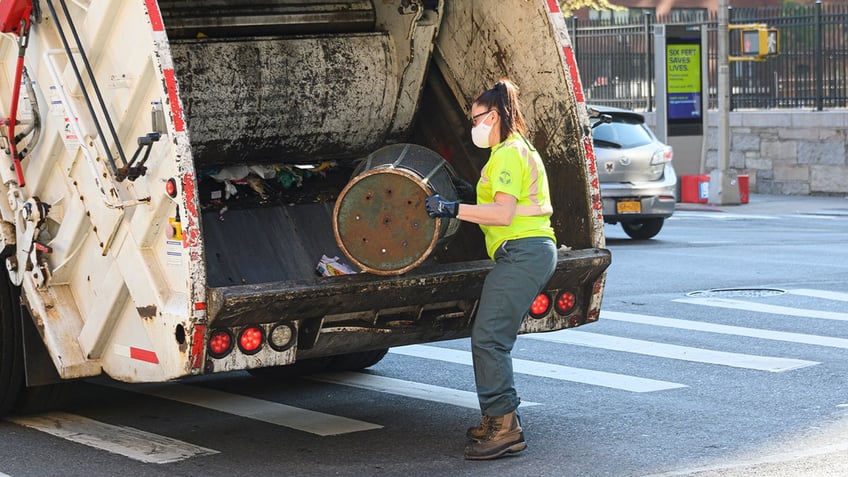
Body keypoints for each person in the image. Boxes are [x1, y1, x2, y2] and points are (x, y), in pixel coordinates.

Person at [425, 79, 557, 460]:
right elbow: (503, 202)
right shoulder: (516, 149)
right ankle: (495, 417)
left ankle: (504, 426)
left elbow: (502, 213)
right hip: (527, 251)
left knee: (488, 337)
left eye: (477, 118)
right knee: (490, 335)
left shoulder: (507, 153)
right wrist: (469, 193)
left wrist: (451, 209)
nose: (474, 126)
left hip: (523, 252)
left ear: (494, 114)